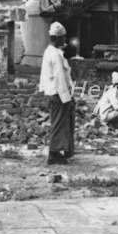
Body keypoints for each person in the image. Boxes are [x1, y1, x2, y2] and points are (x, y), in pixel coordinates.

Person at [39, 21, 75, 165]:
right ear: (58, 38)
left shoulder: (52, 52)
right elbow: (60, 79)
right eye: (63, 37)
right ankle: (53, 154)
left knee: (61, 122)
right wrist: (67, 99)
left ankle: (59, 151)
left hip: (55, 93)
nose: (64, 40)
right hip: (58, 94)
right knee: (59, 123)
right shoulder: (55, 55)